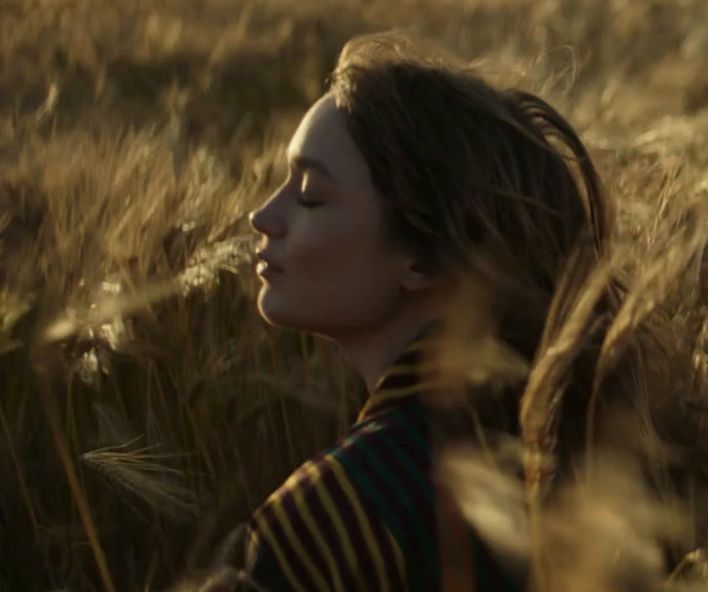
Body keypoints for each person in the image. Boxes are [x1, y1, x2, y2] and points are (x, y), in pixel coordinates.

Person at [229, 33, 624, 591]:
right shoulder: (598, 464)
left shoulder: (332, 519)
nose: (262, 215)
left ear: (423, 257)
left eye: (311, 193)